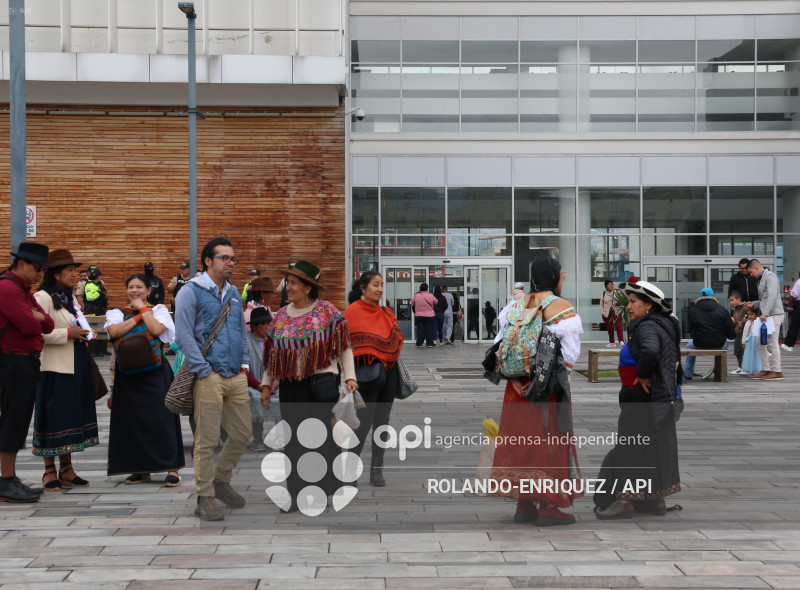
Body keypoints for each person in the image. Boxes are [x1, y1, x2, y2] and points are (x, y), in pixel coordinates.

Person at [491, 256, 583, 526]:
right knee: (549, 443)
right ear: (555, 276)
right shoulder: (561, 306)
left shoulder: (516, 304)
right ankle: (548, 506)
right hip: (547, 389)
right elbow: (570, 354)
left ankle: (524, 504)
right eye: (562, 274)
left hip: (515, 388)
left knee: (520, 442)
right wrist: (541, 380)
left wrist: (517, 378)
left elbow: (500, 345)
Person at [260, 260, 356, 514]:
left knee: (319, 438)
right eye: (288, 283)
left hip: (322, 383)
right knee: (292, 441)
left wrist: (349, 377)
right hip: (292, 386)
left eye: (293, 283)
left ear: (308, 287)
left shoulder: (328, 312)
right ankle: (294, 494)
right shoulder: (280, 317)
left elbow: (344, 346)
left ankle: (320, 488)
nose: (287, 288)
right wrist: (266, 385)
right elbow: (272, 355)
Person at [175, 237, 252, 521]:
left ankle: (220, 481)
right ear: (208, 261)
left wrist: (244, 362)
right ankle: (204, 496)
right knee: (206, 440)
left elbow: (241, 332)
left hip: (235, 374)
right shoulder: (191, 291)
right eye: (225, 258)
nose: (231, 263)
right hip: (208, 376)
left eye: (233, 258)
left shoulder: (233, 292)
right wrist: (203, 369)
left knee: (242, 433)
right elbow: (183, 334)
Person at [594, 280, 682, 520]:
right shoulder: (662, 324)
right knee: (650, 447)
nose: (629, 307)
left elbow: (651, 351)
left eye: (633, 302)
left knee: (630, 447)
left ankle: (624, 500)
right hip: (657, 398)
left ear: (649, 306)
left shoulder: (647, 327)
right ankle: (654, 500)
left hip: (642, 398)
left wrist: (642, 374)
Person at [105, 273, 184, 487]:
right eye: (130, 286)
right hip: (128, 375)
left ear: (149, 290)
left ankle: (172, 468)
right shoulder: (116, 312)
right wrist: (140, 315)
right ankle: (140, 470)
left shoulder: (159, 310)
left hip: (155, 373)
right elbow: (114, 331)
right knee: (132, 421)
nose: (134, 290)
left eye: (139, 287)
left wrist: (142, 309)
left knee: (162, 419)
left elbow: (158, 330)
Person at [32, 249, 99, 491]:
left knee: (70, 417)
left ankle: (67, 468)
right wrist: (67, 334)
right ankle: (49, 471)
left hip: (74, 364)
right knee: (52, 417)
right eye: (70, 270)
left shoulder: (68, 298)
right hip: (53, 367)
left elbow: (75, 323)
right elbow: (35, 332)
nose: (74, 274)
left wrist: (85, 333)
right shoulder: (42, 297)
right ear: (56, 274)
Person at [0, 242, 54, 502]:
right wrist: (37, 318)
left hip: (25, 362)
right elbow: (29, 325)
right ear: (21, 264)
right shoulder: (8, 287)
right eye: (38, 268)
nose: (41, 274)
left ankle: (9, 478)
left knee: (19, 420)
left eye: (44, 269)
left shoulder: (24, 289)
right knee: (12, 420)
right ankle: (6, 480)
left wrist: (38, 317)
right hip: (13, 361)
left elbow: (48, 323)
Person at [345, 271, 404, 486]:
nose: (379, 289)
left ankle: (376, 470)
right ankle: (350, 470)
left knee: (383, 423)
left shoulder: (386, 310)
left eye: (381, 285)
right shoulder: (352, 312)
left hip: (389, 371)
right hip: (365, 374)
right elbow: (348, 345)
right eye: (375, 285)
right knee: (363, 422)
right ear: (363, 288)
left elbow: (397, 338)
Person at [684, 287, 735, 380]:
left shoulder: (692, 309)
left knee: (689, 345)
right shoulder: (722, 309)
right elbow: (731, 332)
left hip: (699, 342)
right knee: (725, 345)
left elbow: (691, 329)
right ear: (713, 296)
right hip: (719, 342)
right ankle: (719, 372)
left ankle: (687, 373)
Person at [746, 259, 784, 380]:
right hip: (768, 315)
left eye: (751, 272)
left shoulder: (770, 276)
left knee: (772, 343)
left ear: (756, 268)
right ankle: (765, 369)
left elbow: (773, 296)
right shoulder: (762, 279)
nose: (751, 275)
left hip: (774, 314)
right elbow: (765, 299)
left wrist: (765, 313)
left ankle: (777, 371)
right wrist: (754, 304)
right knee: (760, 342)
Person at [246, 307, 278, 452]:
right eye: (262, 324)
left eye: (268, 323)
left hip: (274, 384)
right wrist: (259, 386)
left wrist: (277, 382)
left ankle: (280, 436)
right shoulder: (245, 343)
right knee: (254, 398)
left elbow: (282, 365)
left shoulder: (274, 342)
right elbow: (243, 371)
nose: (266, 327)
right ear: (253, 327)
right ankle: (257, 437)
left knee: (284, 397)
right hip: (254, 385)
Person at [82, 266, 108, 357]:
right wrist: (99, 292)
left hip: (100, 308)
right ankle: (92, 350)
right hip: (91, 309)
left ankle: (101, 350)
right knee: (92, 328)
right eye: (100, 276)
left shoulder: (99, 284)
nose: (101, 277)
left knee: (102, 328)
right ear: (98, 276)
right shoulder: (89, 285)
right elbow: (90, 297)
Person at [411, 283, 437, 348]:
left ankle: (419, 343)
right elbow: (436, 302)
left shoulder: (416, 295)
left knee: (420, 329)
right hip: (430, 315)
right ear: (427, 288)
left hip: (419, 315)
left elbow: (413, 303)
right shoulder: (431, 295)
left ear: (420, 288)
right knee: (429, 329)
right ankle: (429, 343)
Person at [600, 279, 624, 347]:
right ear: (606, 286)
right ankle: (612, 342)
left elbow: (622, 297)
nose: (611, 285)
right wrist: (602, 312)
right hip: (607, 313)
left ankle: (621, 341)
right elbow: (601, 304)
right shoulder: (604, 293)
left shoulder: (616, 292)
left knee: (618, 326)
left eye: (612, 284)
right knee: (609, 327)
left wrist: (618, 290)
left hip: (616, 312)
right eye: (609, 284)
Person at [729, 291, 748, 375]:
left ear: (738, 299)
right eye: (730, 301)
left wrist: (743, 323)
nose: (731, 302)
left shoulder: (745, 308)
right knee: (737, 352)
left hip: (744, 334)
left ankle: (745, 367)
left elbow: (751, 316)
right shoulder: (735, 310)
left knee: (743, 351)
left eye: (732, 300)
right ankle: (740, 367)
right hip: (737, 333)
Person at [741, 307, 763, 375]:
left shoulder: (760, 321)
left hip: (757, 340)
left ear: (757, 314)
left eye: (752, 314)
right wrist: (743, 341)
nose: (750, 316)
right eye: (749, 315)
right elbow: (745, 332)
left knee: (757, 355)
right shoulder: (748, 322)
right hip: (750, 341)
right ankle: (750, 369)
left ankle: (758, 369)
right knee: (749, 355)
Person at [780, 276, 800, 353]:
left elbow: (794, 294)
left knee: (794, 325)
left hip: (799, 305)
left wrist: (790, 291)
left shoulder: (798, 282)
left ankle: (788, 344)